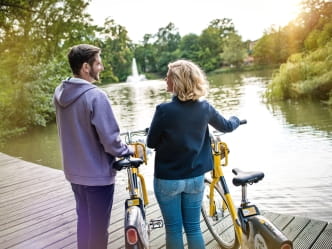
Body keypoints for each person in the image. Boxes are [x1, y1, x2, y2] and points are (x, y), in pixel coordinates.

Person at [146, 59, 241, 249]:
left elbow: (151, 142)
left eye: (169, 76)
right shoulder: (204, 108)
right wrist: (236, 119)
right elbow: (227, 126)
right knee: (193, 228)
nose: (165, 79)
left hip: (168, 180)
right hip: (196, 178)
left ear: (178, 81)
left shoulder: (163, 110)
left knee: (173, 229)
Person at [53, 44, 132, 249]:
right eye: (98, 63)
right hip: (97, 177)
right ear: (86, 67)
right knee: (98, 230)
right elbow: (111, 141)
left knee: (84, 224)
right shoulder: (95, 96)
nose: (102, 67)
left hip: (74, 174)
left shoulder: (59, 92)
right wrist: (127, 151)